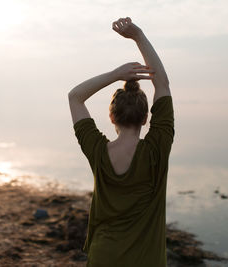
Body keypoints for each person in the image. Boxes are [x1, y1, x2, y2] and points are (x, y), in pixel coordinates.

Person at [68, 17, 174, 266]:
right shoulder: (157, 149)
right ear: (146, 117)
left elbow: (75, 97)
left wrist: (116, 75)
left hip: (103, 256)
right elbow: (163, 84)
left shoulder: (97, 150)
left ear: (112, 115)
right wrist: (138, 36)